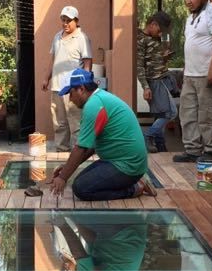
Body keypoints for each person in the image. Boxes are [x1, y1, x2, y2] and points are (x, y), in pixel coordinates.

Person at [49, 69, 156, 201]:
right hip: (119, 161)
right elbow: (89, 147)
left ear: (81, 89)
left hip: (127, 165)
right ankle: (134, 181)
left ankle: (135, 187)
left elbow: (81, 148)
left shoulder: (93, 106)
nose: (70, 100)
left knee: (81, 188)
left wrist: (62, 177)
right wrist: (66, 169)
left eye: (70, 94)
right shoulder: (99, 99)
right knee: (80, 180)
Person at [174, 0, 212, 163]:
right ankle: (193, 150)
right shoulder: (191, 18)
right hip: (191, 75)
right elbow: (192, 44)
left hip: (208, 75)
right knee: (187, 114)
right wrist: (185, 70)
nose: (188, 1)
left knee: (208, 114)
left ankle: (211, 151)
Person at [43, 5, 93, 151]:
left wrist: (83, 86)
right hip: (57, 87)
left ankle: (79, 153)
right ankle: (61, 151)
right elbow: (53, 60)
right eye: (63, 20)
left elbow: (87, 62)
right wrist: (46, 78)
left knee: (76, 122)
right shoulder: (57, 37)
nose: (65, 23)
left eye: (68, 20)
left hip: (73, 89)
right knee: (59, 123)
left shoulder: (82, 38)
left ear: (76, 21)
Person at [136, 11, 176, 153]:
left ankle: (160, 146)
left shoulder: (157, 38)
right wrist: (146, 87)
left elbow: (155, 58)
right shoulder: (141, 40)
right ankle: (147, 136)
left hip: (163, 79)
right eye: (160, 30)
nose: (161, 34)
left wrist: (164, 57)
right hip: (155, 82)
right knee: (170, 113)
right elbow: (139, 66)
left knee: (160, 115)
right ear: (153, 24)